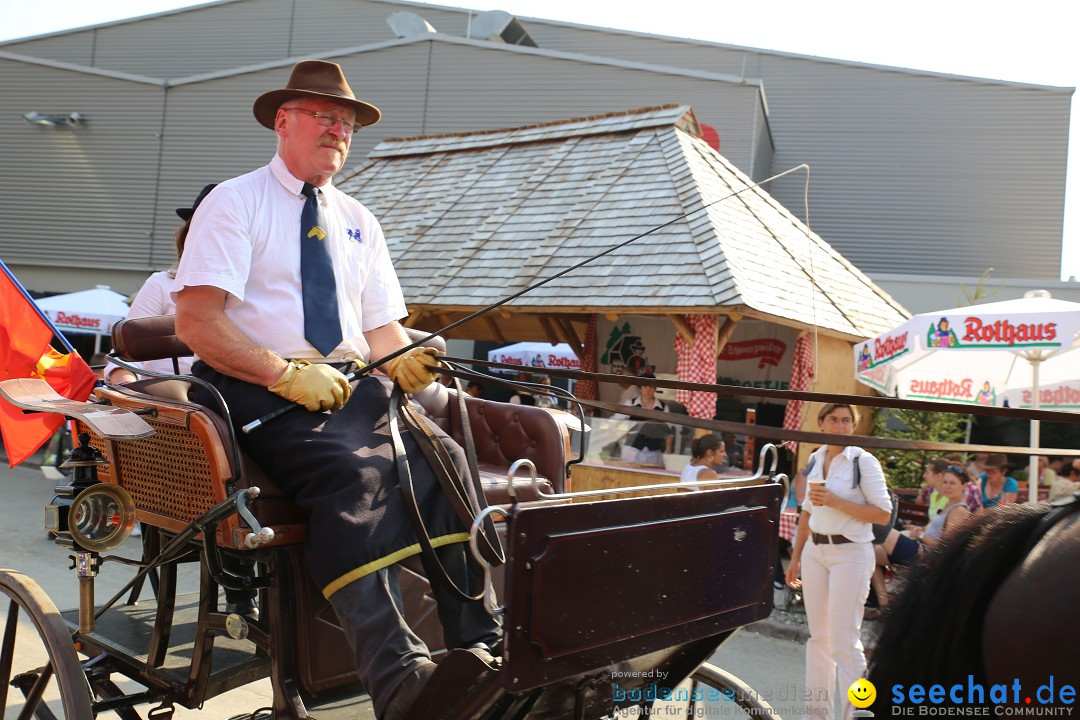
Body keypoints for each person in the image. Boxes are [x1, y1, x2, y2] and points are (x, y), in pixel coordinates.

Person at [172, 60, 499, 720]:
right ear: (283, 121)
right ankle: (399, 678)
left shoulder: (359, 220)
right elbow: (197, 321)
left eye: (347, 124)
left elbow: (380, 330)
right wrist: (285, 374)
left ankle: (481, 649)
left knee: (451, 463)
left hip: (345, 390)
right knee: (357, 475)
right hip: (253, 386)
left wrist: (407, 356)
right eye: (325, 117)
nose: (338, 131)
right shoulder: (233, 202)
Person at [785, 403, 892, 720]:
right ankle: (816, 716)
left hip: (851, 553)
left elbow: (882, 513)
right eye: (833, 419)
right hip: (816, 552)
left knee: (844, 640)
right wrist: (795, 559)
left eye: (847, 420)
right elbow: (806, 513)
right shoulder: (816, 458)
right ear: (821, 423)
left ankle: (857, 714)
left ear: (853, 426)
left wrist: (836, 501)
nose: (840, 425)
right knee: (819, 638)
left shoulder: (864, 461)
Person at [105, 184, 215, 384]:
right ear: (188, 236)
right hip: (167, 403)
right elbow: (123, 362)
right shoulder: (162, 284)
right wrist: (135, 396)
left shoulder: (257, 293)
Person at [908, 465, 971, 546]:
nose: (947, 487)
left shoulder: (959, 510)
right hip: (921, 546)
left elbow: (945, 546)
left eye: (952, 483)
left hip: (926, 554)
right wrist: (921, 529)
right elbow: (936, 529)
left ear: (964, 486)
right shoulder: (948, 503)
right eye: (945, 482)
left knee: (888, 535)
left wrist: (921, 535)